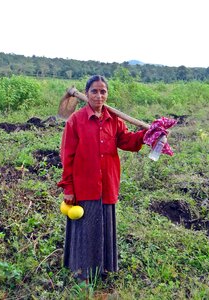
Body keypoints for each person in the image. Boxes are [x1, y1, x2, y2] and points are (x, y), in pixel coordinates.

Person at [57, 75, 147, 282]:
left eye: (103, 91)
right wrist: (68, 188)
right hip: (84, 185)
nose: (99, 95)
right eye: (94, 91)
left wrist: (144, 135)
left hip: (107, 184)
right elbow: (67, 155)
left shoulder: (113, 119)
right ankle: (82, 273)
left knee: (104, 228)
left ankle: (103, 270)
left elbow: (126, 142)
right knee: (85, 231)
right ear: (86, 93)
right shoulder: (76, 121)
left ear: (107, 94)